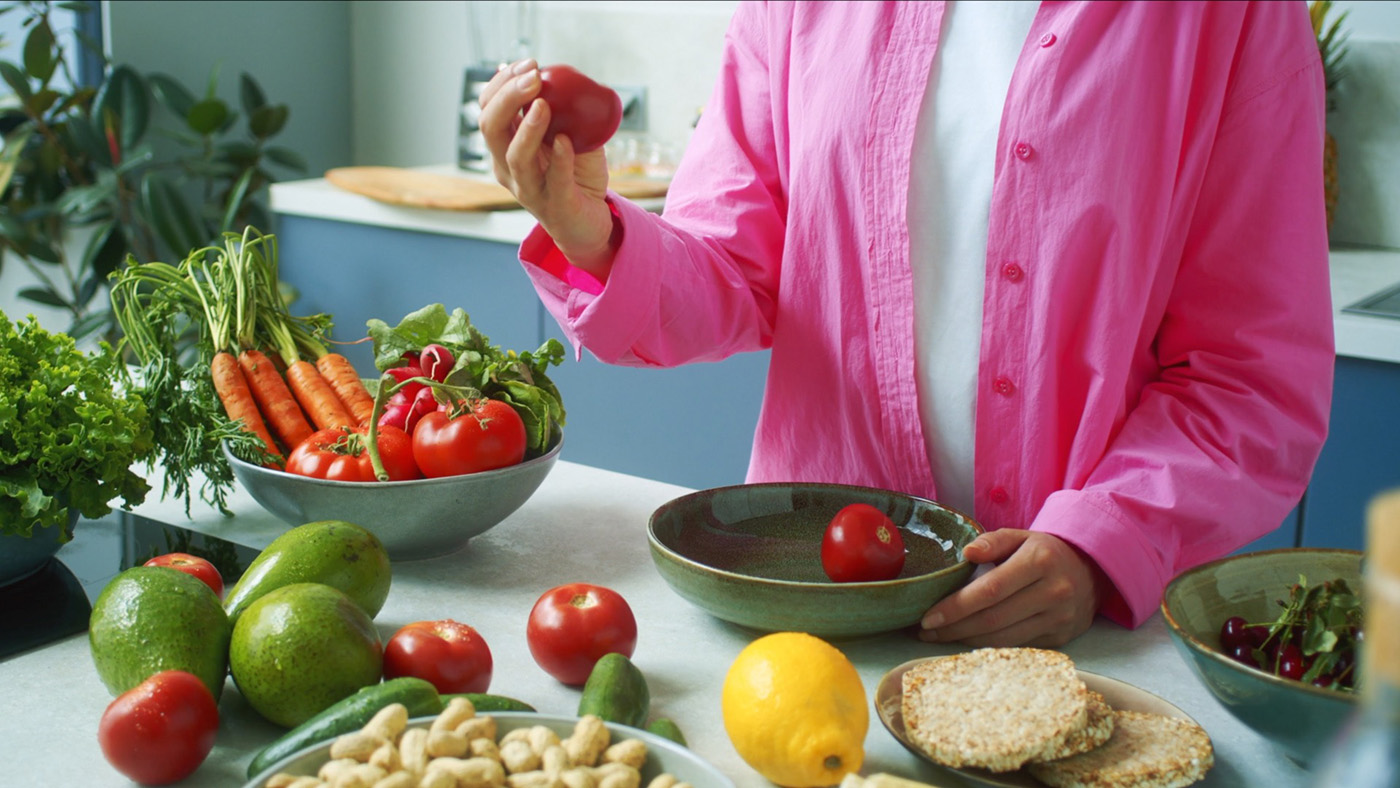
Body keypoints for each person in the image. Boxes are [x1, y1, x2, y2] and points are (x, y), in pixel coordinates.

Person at [477, 1, 1335, 647]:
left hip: (1081, 635)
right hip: (814, 605)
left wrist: (1109, 541)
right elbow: (734, 267)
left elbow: (1249, 375)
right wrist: (593, 235)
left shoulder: (1234, 16)